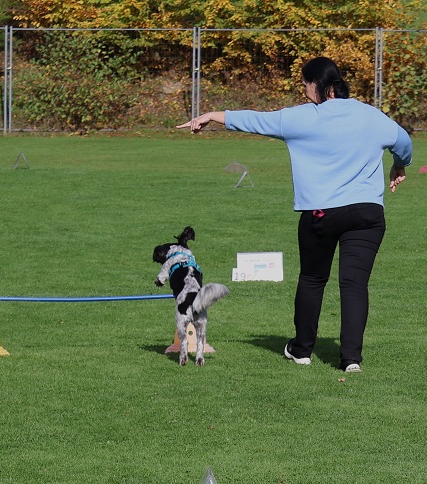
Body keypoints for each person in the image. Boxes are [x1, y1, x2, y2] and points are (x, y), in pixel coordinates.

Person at [176, 57, 412, 373]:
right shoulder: (371, 115)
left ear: (321, 87)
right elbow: (404, 142)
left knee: (313, 279)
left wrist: (211, 116)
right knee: (354, 284)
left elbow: (254, 120)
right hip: (367, 213)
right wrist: (399, 164)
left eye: (305, 84)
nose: (303, 91)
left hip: (322, 213)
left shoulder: (301, 118)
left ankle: (301, 350)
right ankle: (351, 359)